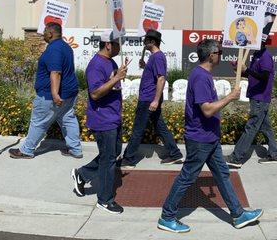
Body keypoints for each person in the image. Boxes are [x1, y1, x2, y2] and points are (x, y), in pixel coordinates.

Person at [157, 39, 263, 233]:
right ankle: (167, 216)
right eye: (220, 52)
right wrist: (231, 97)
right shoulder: (200, 77)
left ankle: (238, 215)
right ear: (212, 55)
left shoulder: (204, 75)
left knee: (222, 175)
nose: (221, 55)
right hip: (200, 139)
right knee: (187, 177)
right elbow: (206, 110)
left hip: (210, 138)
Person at [71, 30, 129, 214]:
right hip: (103, 119)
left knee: (113, 154)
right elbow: (95, 93)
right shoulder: (95, 65)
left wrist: (117, 76)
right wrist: (116, 78)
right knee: (108, 160)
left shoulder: (110, 62)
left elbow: (113, 86)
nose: (121, 47)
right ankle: (104, 200)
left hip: (113, 117)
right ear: (108, 44)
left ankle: (83, 174)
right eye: (118, 44)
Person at [9, 22, 82, 159]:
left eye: (44, 31)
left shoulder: (54, 49)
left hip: (50, 96)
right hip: (69, 93)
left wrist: (54, 93)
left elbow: (55, 72)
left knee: (38, 122)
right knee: (68, 119)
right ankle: (75, 149)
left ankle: (27, 150)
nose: (42, 34)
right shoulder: (65, 47)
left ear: (50, 33)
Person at [120, 30, 183, 168]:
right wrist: (145, 66)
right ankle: (175, 154)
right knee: (160, 127)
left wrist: (155, 100)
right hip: (149, 98)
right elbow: (155, 75)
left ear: (152, 42)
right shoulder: (154, 57)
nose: (143, 43)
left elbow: (161, 78)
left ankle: (128, 159)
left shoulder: (158, 57)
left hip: (148, 99)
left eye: (146, 40)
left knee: (137, 129)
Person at [226, 37, 277, 168]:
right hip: (256, 97)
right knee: (265, 127)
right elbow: (254, 75)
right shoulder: (256, 54)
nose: (250, 42)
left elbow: (264, 77)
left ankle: (236, 158)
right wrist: (241, 70)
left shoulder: (265, 56)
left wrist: (247, 69)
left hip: (260, 98)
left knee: (251, 127)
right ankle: (275, 155)